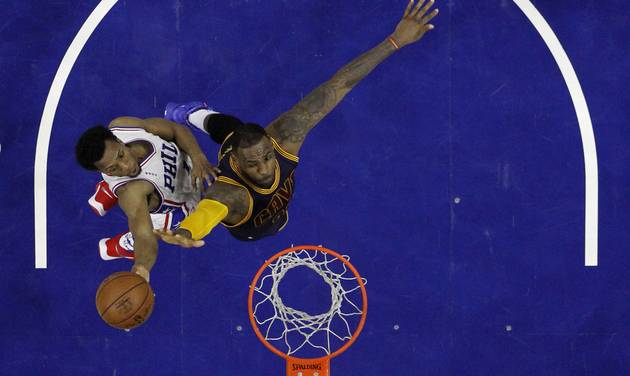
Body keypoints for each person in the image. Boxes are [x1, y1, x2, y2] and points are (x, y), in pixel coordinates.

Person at [155, 0, 439, 247]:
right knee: (230, 135)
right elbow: (208, 212)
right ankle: (191, 116)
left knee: (234, 128)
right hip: (248, 229)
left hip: (270, 195)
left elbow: (339, 85)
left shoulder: (285, 137)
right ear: (237, 164)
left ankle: (191, 113)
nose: (265, 168)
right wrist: (186, 231)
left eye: (266, 156)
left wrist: (394, 41)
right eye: (253, 164)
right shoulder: (231, 194)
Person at [75, 116, 223, 281]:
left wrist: (197, 157)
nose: (127, 166)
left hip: (190, 166)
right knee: (155, 229)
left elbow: (175, 130)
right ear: (101, 172)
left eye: (121, 155)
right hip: (182, 205)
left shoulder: (122, 126)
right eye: (113, 168)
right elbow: (144, 237)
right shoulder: (132, 192)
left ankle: (107, 190)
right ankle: (122, 245)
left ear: (118, 140)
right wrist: (141, 268)